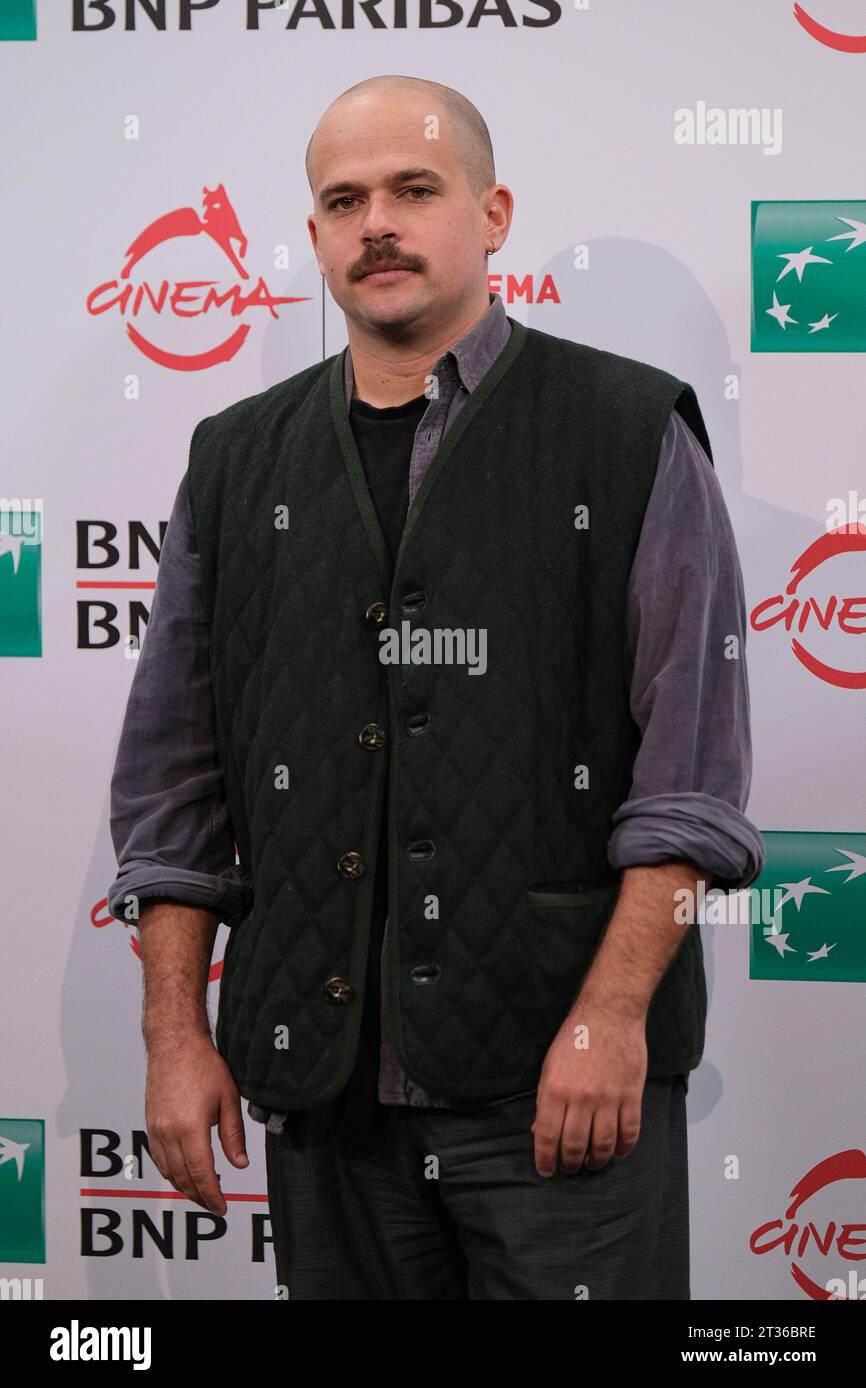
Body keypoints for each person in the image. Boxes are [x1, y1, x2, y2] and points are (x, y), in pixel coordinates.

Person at [107, 74, 764, 1300]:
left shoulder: (625, 432)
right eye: (343, 200)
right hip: (324, 1097)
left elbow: (690, 780)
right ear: (312, 238)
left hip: (556, 1094)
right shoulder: (235, 458)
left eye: (414, 188)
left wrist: (609, 1018)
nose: (377, 225)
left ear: (492, 211)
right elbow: (174, 791)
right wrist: (173, 1037)